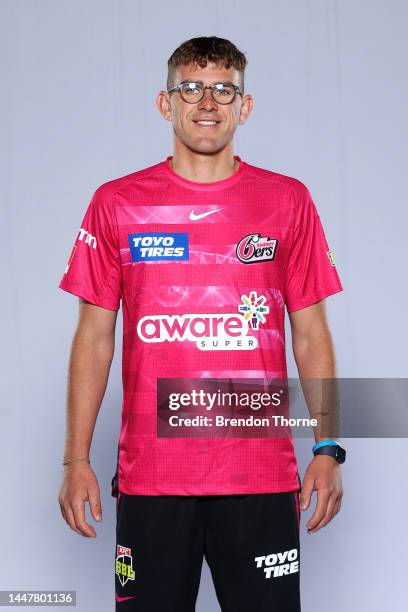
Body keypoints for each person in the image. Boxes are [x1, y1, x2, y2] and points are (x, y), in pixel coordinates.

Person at [58, 35, 345, 612]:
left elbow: (311, 333)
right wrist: (75, 459)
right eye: (190, 88)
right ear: (166, 103)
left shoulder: (287, 201)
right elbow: (93, 338)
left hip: (261, 478)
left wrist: (328, 445)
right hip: (152, 480)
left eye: (223, 89)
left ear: (245, 106)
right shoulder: (117, 203)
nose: (206, 103)